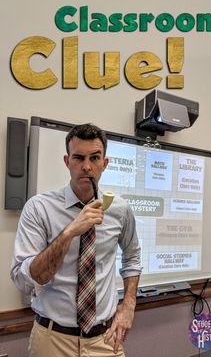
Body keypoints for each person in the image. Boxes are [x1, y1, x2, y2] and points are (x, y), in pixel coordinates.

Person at [10, 123, 142, 357]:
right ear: (67, 161)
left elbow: (132, 256)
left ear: (105, 163)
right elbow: (25, 279)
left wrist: (129, 304)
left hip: (105, 338)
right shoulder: (39, 208)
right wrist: (69, 232)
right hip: (52, 340)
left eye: (95, 158)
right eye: (78, 158)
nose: (87, 167)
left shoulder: (120, 209)